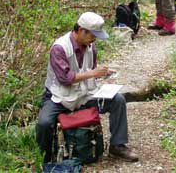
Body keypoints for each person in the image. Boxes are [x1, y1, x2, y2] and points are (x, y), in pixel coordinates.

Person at [36, 12, 138, 163]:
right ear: (81, 30)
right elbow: (65, 78)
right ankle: (43, 157)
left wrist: (102, 74)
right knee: (44, 123)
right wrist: (92, 73)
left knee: (118, 100)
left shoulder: (91, 46)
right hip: (58, 98)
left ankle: (117, 145)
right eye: (93, 35)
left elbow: (90, 70)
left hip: (83, 95)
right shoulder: (59, 48)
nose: (94, 39)